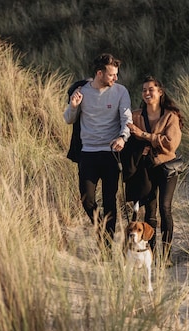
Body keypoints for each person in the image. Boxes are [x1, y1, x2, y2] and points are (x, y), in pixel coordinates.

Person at [63, 53, 132, 256]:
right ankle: (103, 232)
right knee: (87, 199)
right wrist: (73, 106)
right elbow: (68, 119)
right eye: (111, 75)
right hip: (88, 154)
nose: (115, 78)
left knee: (110, 200)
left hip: (111, 153)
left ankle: (108, 246)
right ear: (99, 73)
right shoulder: (81, 91)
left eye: (116, 74)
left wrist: (123, 138)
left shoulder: (121, 92)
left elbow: (126, 119)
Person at [126, 75, 183, 267]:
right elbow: (126, 135)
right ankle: (151, 253)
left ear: (160, 92)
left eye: (151, 89)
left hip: (166, 168)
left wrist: (144, 136)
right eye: (144, 90)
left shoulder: (170, 116)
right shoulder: (135, 115)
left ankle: (166, 256)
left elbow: (170, 144)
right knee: (149, 213)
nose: (147, 93)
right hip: (145, 168)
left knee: (164, 208)